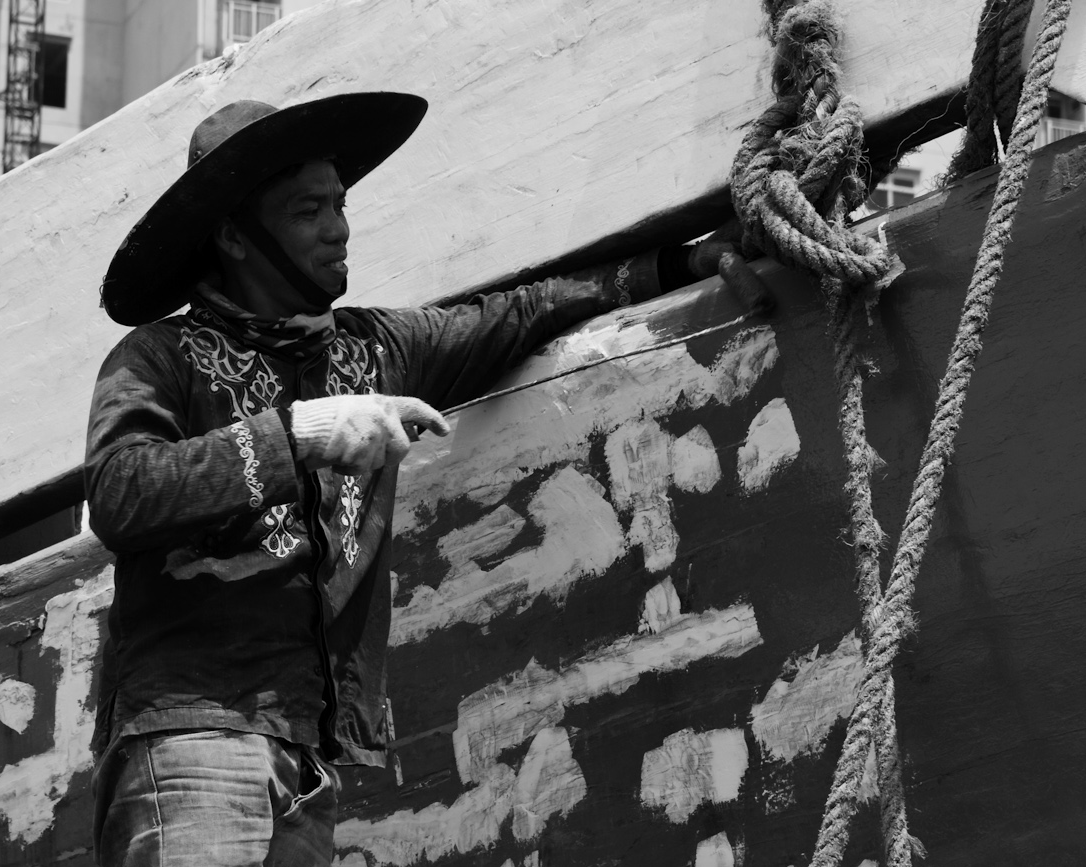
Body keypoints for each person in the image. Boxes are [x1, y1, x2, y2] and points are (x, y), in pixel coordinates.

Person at [85, 92, 761, 867]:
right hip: (190, 732)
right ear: (235, 237)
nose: (339, 228)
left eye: (339, 203)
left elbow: (519, 312)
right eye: (309, 210)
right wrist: (299, 436)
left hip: (306, 753)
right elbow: (120, 489)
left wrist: (685, 260)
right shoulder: (157, 358)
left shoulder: (374, 348)